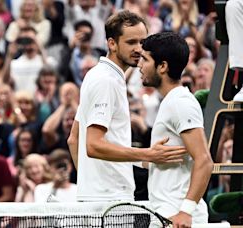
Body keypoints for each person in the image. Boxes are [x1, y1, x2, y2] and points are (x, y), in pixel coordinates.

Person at [67, 10, 187, 202]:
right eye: (131, 42)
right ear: (112, 43)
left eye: (142, 42)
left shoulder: (99, 75)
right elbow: (93, 145)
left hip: (100, 197)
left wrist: (90, 186)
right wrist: (148, 154)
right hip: (110, 200)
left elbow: (74, 139)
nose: (139, 49)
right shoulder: (106, 80)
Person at [138, 32, 214, 226]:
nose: (139, 65)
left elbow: (204, 160)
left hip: (179, 218)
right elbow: (166, 160)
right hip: (167, 215)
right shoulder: (171, 102)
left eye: (145, 59)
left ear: (162, 66)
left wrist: (185, 212)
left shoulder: (180, 103)